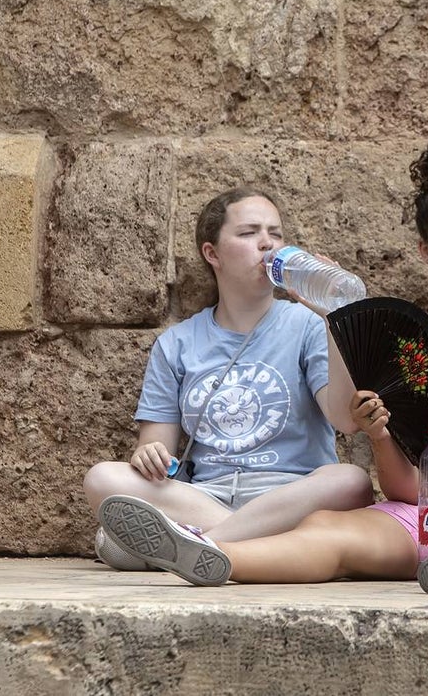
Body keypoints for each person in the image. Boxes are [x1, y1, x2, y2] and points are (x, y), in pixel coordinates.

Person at [95, 142, 428, 592]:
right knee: (327, 532)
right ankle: (211, 556)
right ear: (425, 251)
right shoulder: (410, 347)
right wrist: (381, 436)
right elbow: (407, 488)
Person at [83, 187, 375, 567]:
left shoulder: (307, 325)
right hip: (206, 497)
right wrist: (149, 455)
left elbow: (346, 420)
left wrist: (334, 319)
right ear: (212, 253)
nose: (267, 243)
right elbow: (156, 448)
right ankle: (243, 544)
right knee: (103, 479)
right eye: (249, 232)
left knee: (351, 482)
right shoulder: (177, 344)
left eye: (275, 233)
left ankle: (196, 546)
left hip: (292, 497)